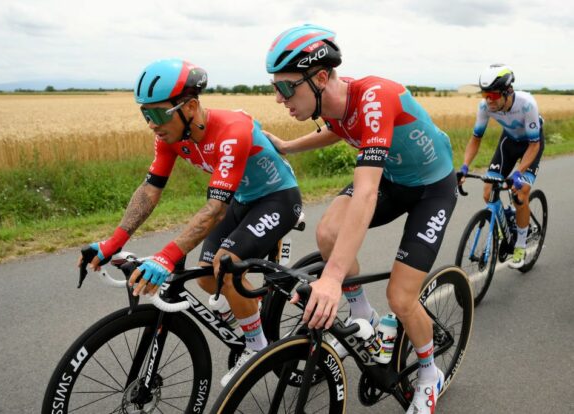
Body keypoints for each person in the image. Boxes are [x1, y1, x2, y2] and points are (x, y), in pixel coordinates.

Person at [263, 24, 457, 413]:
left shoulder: (374, 96)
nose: (280, 99)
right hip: (395, 179)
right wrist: (288, 146)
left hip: (431, 190)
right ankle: (364, 316)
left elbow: (366, 192)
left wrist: (332, 279)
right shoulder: (334, 102)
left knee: (401, 298)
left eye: (285, 88)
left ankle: (428, 372)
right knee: (328, 232)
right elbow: (337, 129)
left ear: (319, 78)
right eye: (275, 89)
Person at [78, 58, 302, 386]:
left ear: (191, 106)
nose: (151, 124)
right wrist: (112, 243)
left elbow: (213, 209)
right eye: (145, 114)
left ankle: (257, 348)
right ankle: (248, 313)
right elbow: (150, 191)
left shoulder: (231, 130)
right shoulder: (170, 137)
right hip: (240, 200)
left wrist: (166, 257)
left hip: (277, 199)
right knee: (208, 280)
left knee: (226, 265)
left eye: (156, 114)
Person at [459, 64, 544, 268]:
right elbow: (476, 139)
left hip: (531, 145)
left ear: (508, 92)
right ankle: (506, 220)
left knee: (521, 193)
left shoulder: (527, 105)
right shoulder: (485, 107)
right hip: (508, 144)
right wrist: (464, 167)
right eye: (485, 94)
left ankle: (520, 247)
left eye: (494, 95)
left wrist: (518, 173)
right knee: (488, 192)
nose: (489, 100)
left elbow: (534, 145)